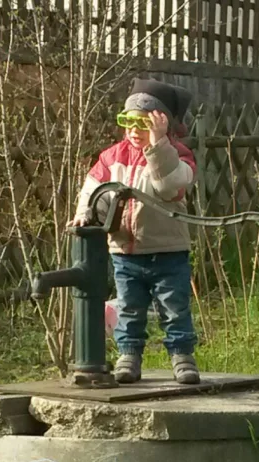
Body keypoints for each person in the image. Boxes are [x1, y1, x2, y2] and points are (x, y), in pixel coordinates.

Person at [68, 77, 200, 385]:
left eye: (143, 124)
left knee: (174, 308)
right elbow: (94, 190)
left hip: (168, 250)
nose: (133, 130)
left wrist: (159, 146)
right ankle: (128, 355)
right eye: (127, 122)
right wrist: (86, 213)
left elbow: (168, 187)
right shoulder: (112, 157)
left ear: (163, 125)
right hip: (126, 252)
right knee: (129, 308)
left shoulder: (179, 155)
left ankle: (182, 356)